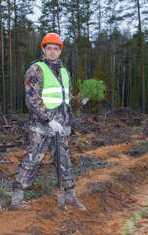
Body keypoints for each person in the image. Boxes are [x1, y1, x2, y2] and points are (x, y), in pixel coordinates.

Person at [10, 32, 87, 211]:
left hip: (62, 126)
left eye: (56, 49)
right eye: (49, 48)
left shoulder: (64, 71)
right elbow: (32, 98)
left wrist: (79, 101)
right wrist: (49, 119)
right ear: (43, 49)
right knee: (33, 159)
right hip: (41, 126)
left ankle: (69, 196)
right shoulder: (36, 69)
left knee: (64, 160)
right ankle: (16, 199)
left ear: (60, 51)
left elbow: (64, 98)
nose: (53, 52)